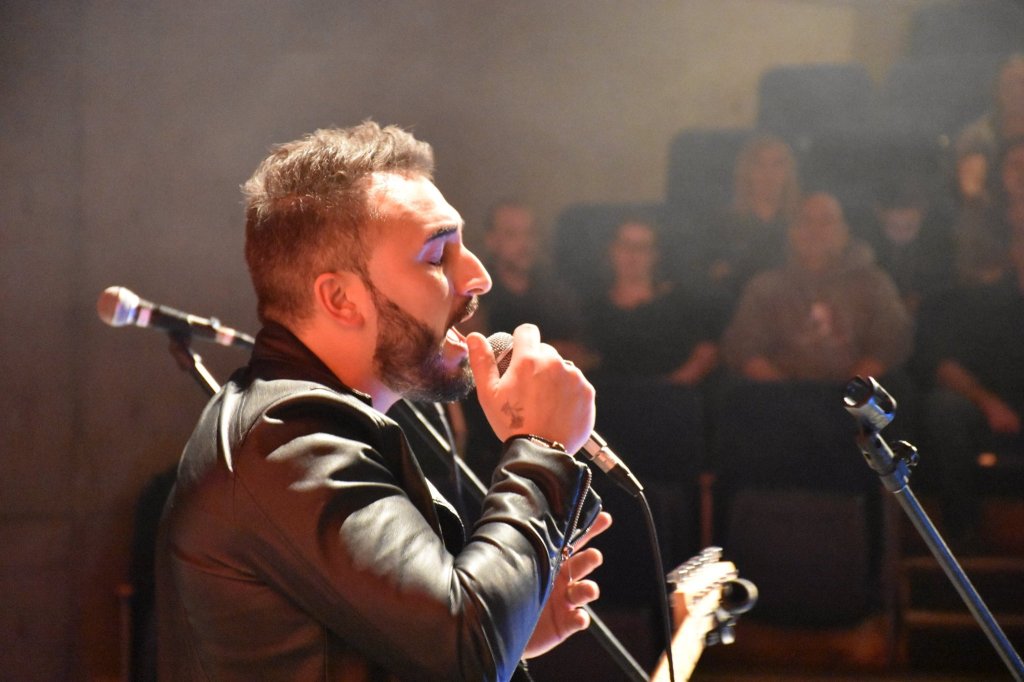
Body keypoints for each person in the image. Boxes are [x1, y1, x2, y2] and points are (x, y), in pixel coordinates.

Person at [156, 122, 610, 681]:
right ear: (341, 299)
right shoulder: (286, 443)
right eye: (437, 255)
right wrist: (539, 450)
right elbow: (463, 654)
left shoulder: (313, 430)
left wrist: (509, 618)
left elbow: (425, 648)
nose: (478, 277)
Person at [721, 192, 913, 383]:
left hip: (856, 389)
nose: (815, 230)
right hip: (780, 391)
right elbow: (744, 347)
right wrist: (785, 391)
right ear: (791, 232)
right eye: (806, 222)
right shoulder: (765, 286)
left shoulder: (874, 283)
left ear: (844, 232)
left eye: (826, 222)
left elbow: (892, 339)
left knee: (895, 393)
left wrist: (850, 388)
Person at [915, 232, 1024, 551]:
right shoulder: (977, 303)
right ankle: (961, 536)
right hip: (986, 406)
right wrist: (989, 403)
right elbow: (944, 365)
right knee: (944, 409)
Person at [584, 218, 718, 384]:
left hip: (669, 392)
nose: (632, 254)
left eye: (642, 247)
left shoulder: (680, 301)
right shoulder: (592, 306)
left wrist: (669, 388)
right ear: (611, 250)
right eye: (625, 245)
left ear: (655, 255)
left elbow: (706, 354)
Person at [700, 133, 801, 317]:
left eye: (777, 165)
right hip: (736, 312)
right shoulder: (721, 223)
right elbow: (710, 277)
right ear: (746, 172)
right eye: (759, 165)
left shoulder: (804, 222)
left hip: (792, 313)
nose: (768, 174)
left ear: (788, 173)